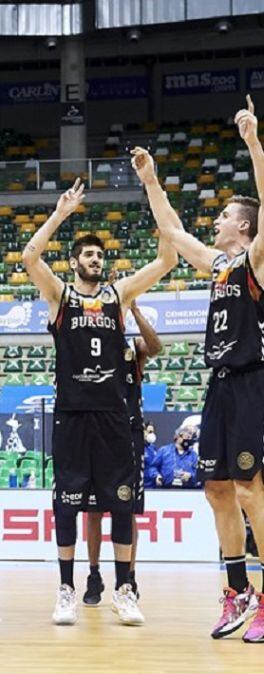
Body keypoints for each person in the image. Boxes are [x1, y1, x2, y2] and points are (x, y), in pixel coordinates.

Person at [134, 97, 264, 642]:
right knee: (216, 489)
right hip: (220, 384)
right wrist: (150, 181)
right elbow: (172, 231)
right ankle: (237, 591)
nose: (216, 220)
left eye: (226, 216)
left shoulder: (256, 260)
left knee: (252, 488)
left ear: (246, 227)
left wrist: (255, 145)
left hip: (255, 379)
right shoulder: (216, 265)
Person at [22, 176, 176, 626]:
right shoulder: (60, 296)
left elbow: (168, 258)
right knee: (68, 503)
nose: (96, 259)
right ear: (74, 263)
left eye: (100, 254)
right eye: (88, 254)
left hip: (113, 416)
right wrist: (60, 213)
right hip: (71, 415)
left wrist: (153, 195)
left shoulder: (120, 294)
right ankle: (67, 587)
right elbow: (30, 257)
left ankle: (124, 589)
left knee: (123, 502)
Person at [83, 298, 162, 606]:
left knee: (126, 510)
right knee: (92, 510)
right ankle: (93, 574)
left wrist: (136, 310)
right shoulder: (88, 341)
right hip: (95, 430)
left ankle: (128, 576)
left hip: (128, 432)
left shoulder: (132, 346)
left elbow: (155, 348)